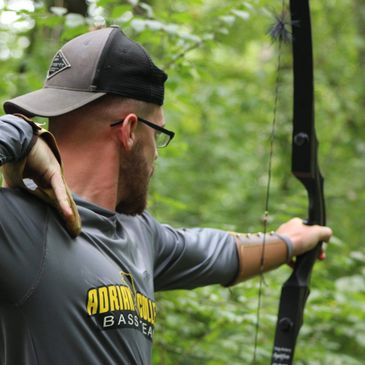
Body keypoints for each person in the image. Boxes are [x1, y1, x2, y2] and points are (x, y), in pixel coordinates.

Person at [0, 26, 332, 364]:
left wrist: (289, 242)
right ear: (129, 131)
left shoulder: (139, 235)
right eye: (157, 133)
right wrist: (19, 132)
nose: (157, 154)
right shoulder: (17, 223)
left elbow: (218, 253)